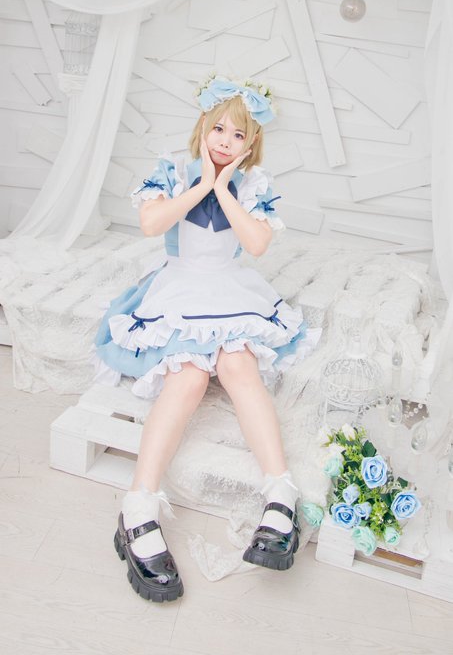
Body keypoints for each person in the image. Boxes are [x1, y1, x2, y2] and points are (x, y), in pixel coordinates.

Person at [94, 76, 321, 602]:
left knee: (239, 365)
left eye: (238, 135)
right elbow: (152, 224)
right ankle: (138, 505)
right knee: (191, 376)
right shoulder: (174, 171)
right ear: (203, 127)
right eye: (218, 128)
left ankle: (280, 494)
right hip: (180, 289)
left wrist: (225, 188)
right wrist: (203, 184)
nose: (225, 141)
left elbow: (257, 244)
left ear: (250, 143)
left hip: (230, 289)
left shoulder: (253, 185)